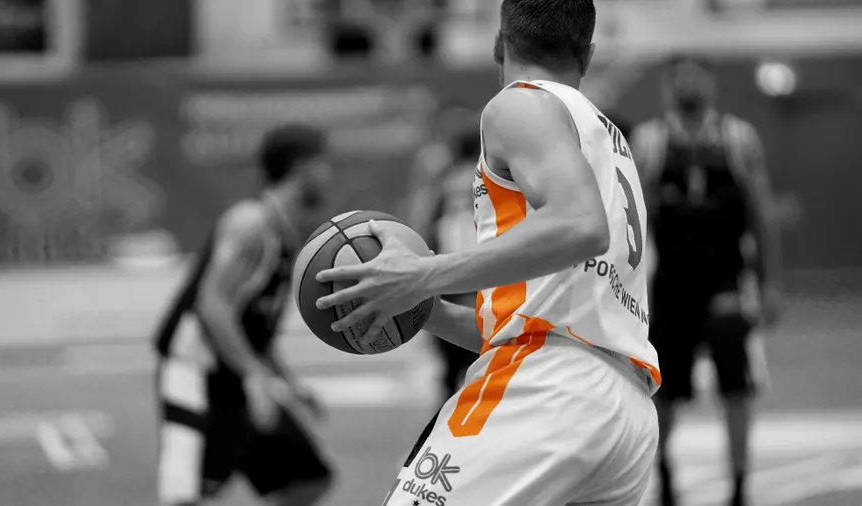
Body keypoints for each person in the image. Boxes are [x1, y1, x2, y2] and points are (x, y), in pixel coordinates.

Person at [317, 1, 661, 504]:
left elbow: (580, 227)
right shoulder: (607, 142)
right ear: (587, 56)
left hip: (550, 390)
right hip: (624, 413)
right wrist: (426, 311)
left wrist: (420, 274)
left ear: (499, 44)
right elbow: (547, 322)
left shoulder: (520, 104)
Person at [153, 125, 335, 506]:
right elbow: (212, 303)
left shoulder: (285, 232)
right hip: (196, 372)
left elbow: (255, 329)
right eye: (323, 164)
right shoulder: (251, 222)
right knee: (187, 497)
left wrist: (289, 383)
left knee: (309, 480)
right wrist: (254, 375)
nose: (328, 174)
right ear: (302, 166)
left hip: (238, 374)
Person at [630, 56, 783, 506]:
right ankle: (664, 476)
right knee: (664, 391)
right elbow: (631, 223)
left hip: (725, 282)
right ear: (667, 86)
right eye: (681, 78)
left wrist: (770, 283)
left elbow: (762, 215)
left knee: (736, 387)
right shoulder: (651, 142)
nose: (689, 85)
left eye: (697, 77)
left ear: (712, 85)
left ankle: (738, 486)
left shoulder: (737, 139)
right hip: (670, 285)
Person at [403, 120, 482, 403]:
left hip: (446, 275)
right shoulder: (493, 180)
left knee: (449, 371)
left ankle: (446, 415)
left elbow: (422, 223)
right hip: (483, 274)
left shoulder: (443, 183)